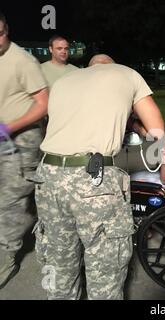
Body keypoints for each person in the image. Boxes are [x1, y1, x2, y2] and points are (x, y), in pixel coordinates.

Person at [33, 54, 165, 300]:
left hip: (48, 178)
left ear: (88, 68)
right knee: (105, 274)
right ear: (113, 64)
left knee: (58, 266)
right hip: (95, 182)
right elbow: (158, 138)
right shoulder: (127, 73)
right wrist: (134, 131)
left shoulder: (63, 81)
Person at [0, 12, 49, 289]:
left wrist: (10, 127)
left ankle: (6, 256)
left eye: (1, 33)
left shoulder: (23, 61)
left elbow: (43, 104)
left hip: (21, 138)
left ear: (8, 29)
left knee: (11, 198)